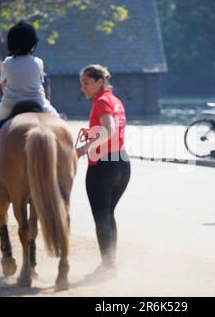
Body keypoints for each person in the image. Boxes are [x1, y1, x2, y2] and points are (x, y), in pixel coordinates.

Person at [0, 21, 59, 160]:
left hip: (11, 103)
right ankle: (66, 146)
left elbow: (4, 83)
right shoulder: (38, 62)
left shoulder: (6, 63)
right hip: (38, 102)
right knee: (57, 119)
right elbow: (40, 81)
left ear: (11, 44)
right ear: (32, 45)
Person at [77, 64, 131, 276]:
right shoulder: (116, 101)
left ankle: (108, 266)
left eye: (86, 83)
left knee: (102, 217)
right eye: (81, 83)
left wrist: (83, 149)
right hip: (122, 163)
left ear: (100, 82)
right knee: (108, 215)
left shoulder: (101, 102)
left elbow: (108, 130)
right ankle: (111, 263)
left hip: (103, 165)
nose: (83, 88)